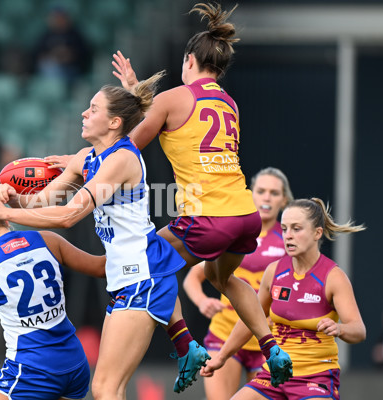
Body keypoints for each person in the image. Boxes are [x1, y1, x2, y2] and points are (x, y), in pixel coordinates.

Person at [0, 74, 211, 397]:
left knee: (104, 388)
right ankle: (185, 342)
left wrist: (6, 214)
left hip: (141, 277)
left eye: (93, 108)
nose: (84, 114)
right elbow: (45, 200)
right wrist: (11, 197)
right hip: (125, 277)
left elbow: (70, 215)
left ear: (114, 122)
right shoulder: (87, 158)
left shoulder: (121, 160)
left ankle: (185, 342)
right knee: (109, 388)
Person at [111, 2, 293, 385]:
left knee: (147, 262)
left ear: (189, 60)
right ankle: (271, 347)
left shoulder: (173, 96)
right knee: (222, 277)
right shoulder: (230, 103)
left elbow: (128, 146)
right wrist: (135, 91)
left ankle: (185, 347)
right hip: (245, 216)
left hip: (207, 216)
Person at [0, 185, 107, 400]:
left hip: (33, 367)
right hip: (74, 362)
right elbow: (101, 268)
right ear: (6, 219)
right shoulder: (48, 239)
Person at [201, 198, 367, 399]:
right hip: (273, 375)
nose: (288, 236)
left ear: (317, 233)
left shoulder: (333, 277)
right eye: (285, 229)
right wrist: (221, 357)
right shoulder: (274, 271)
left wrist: (340, 328)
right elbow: (250, 319)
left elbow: (358, 330)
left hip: (315, 378)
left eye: (297, 229)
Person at [184, 167, 293, 399]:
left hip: (268, 340)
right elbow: (193, 277)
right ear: (250, 194)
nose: (266, 197)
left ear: (284, 200)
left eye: (274, 193)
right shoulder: (233, 233)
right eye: (261, 191)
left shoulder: (290, 242)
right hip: (224, 333)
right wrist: (202, 301)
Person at [32, 6, 92, 85]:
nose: (57, 21)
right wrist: (53, 56)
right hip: (50, 71)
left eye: (60, 17)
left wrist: (68, 56)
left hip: (72, 71)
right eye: (55, 18)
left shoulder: (75, 35)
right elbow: (37, 55)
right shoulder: (46, 36)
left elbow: (85, 55)